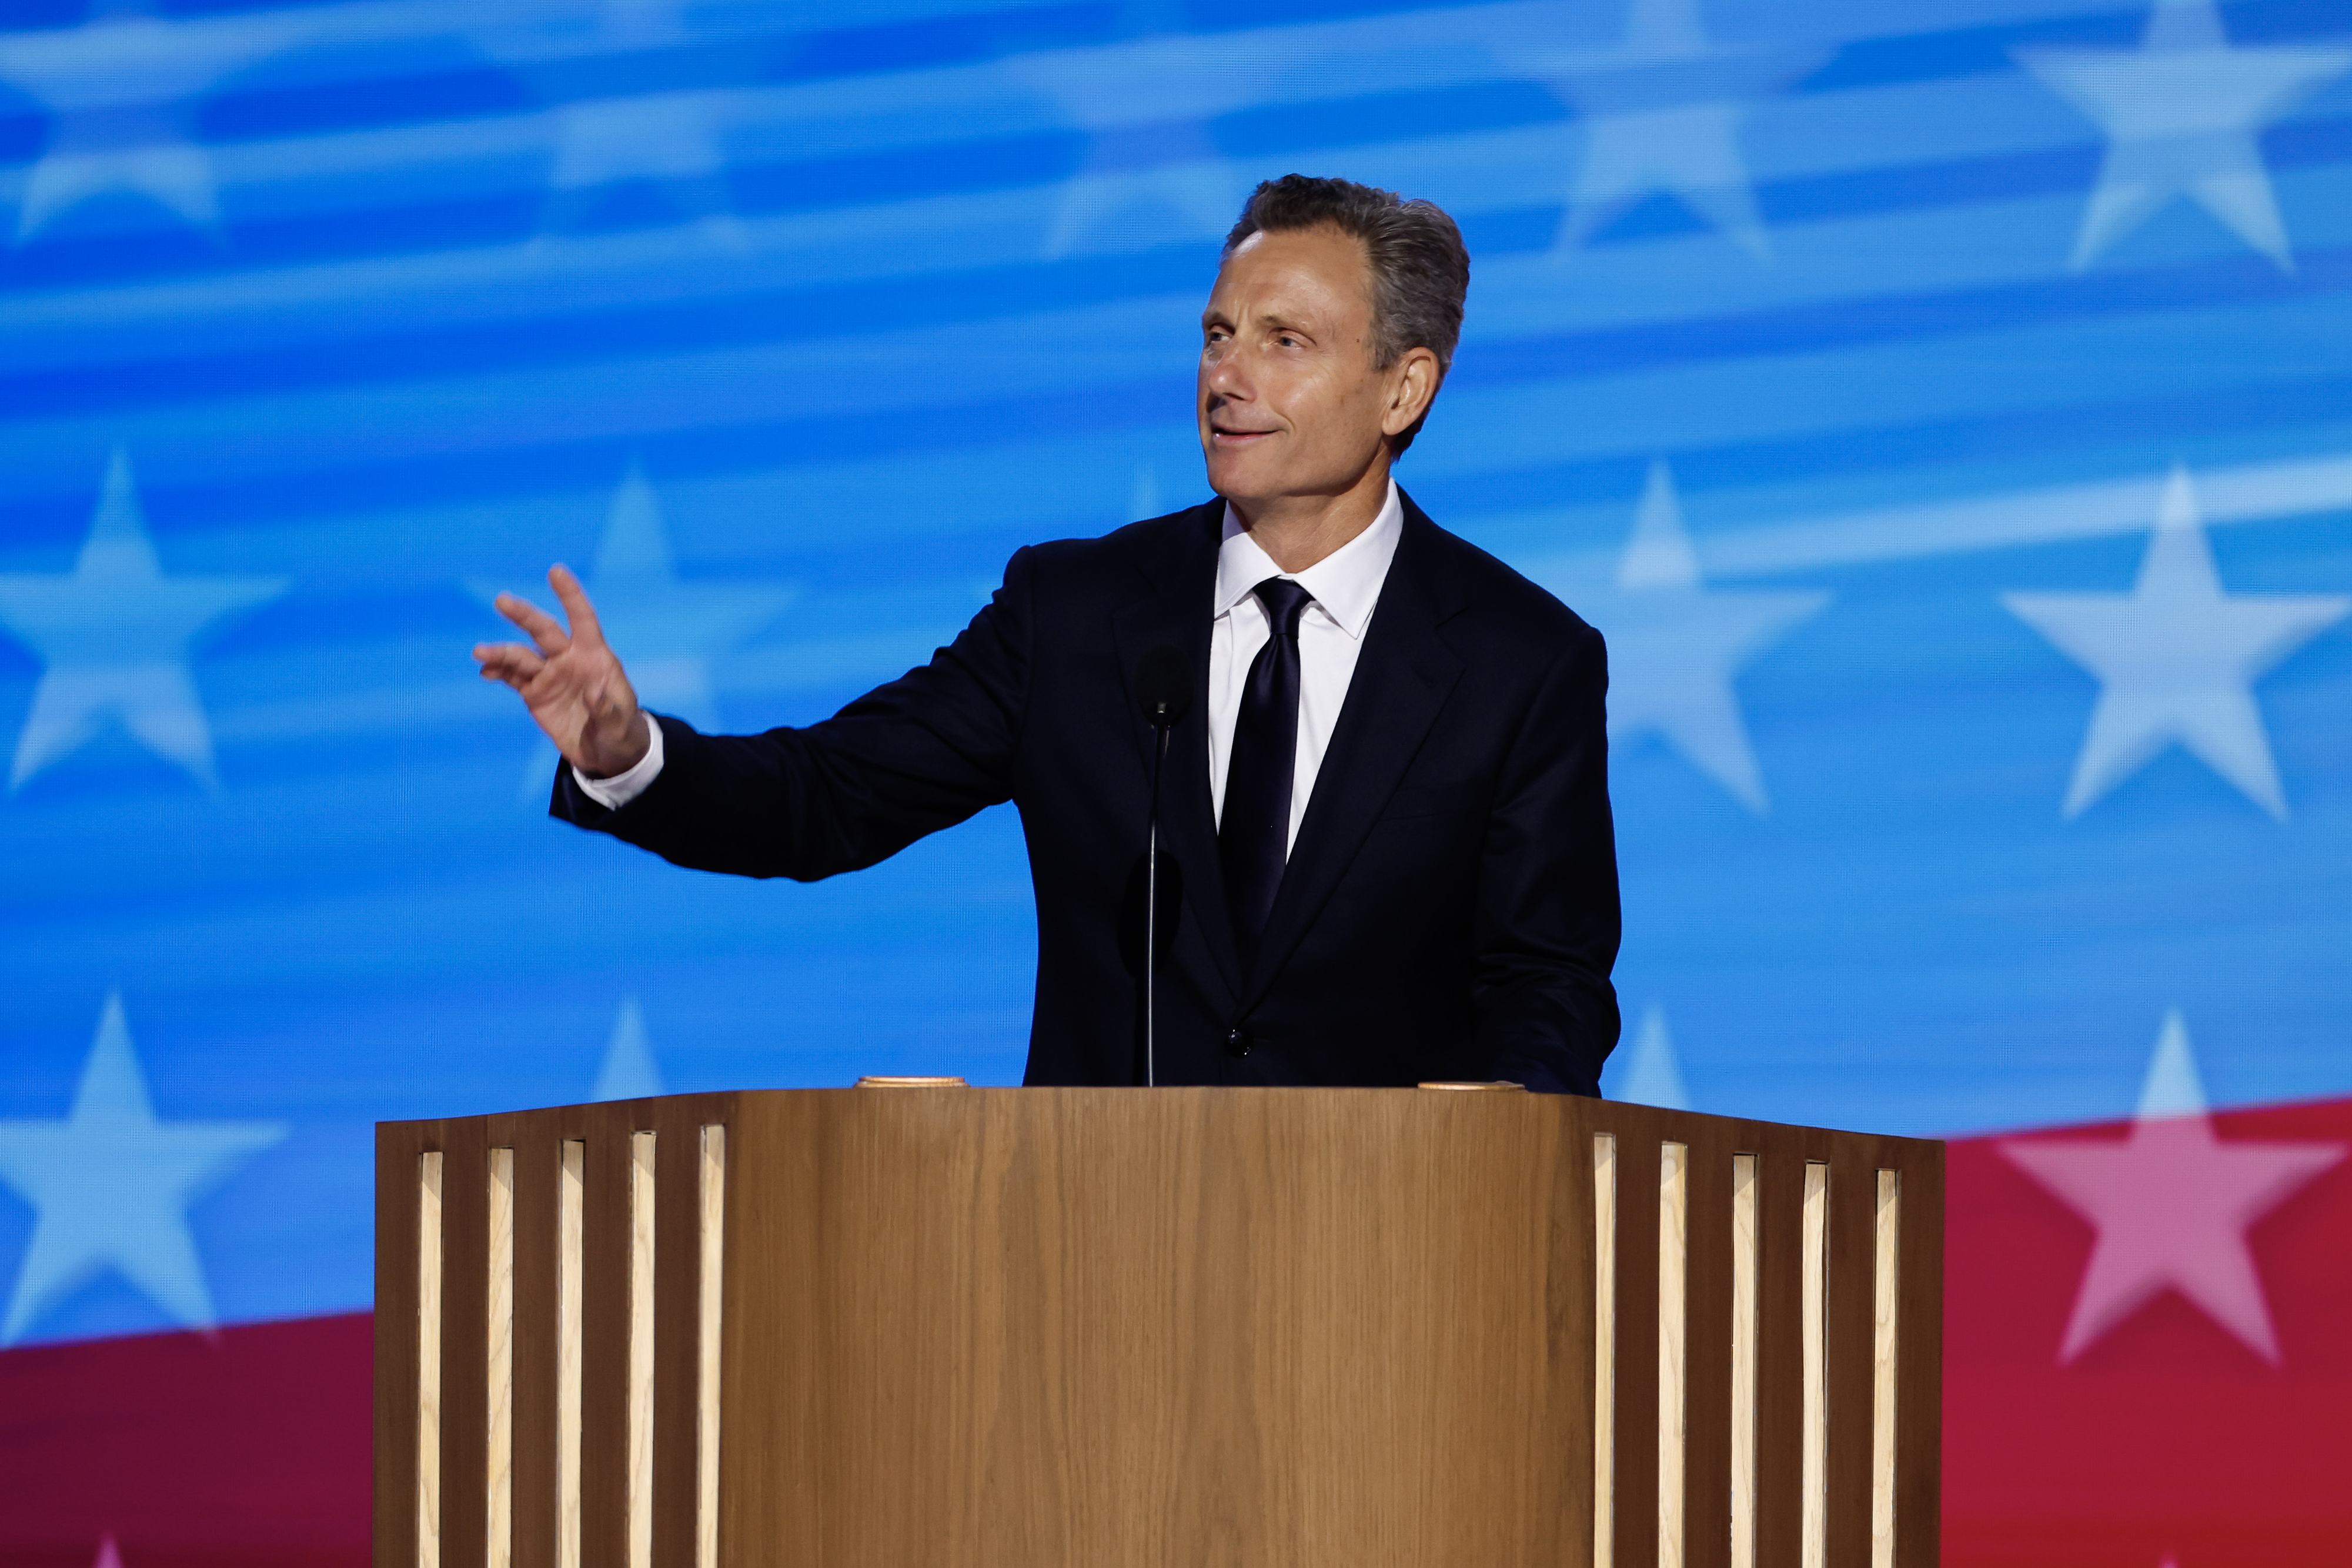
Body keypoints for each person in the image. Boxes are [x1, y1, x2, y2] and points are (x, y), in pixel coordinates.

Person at [475, 174, 1621, 1094]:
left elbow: (1547, 979)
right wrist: (627, 752)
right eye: (1217, 334)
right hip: (1086, 1265)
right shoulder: (1076, 615)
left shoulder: (1521, 661)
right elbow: (825, 794)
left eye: (1283, 342)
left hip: (1391, 1276)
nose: (1225, 375)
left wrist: (1492, 1143)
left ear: (1401, 389)